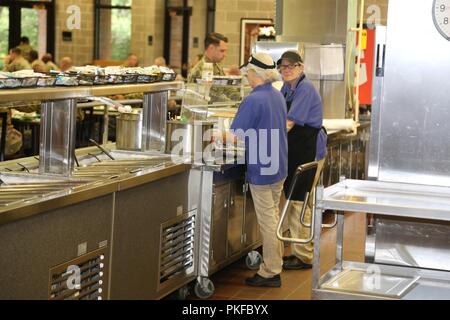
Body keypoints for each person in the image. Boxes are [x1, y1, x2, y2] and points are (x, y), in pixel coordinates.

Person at [216, 53, 288, 287]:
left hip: (262, 168)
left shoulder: (253, 99)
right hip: (278, 164)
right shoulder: (277, 95)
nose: (246, 75)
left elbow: (235, 137)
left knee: (267, 220)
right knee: (274, 217)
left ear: (256, 73)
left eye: (248, 71)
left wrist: (214, 135)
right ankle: (275, 261)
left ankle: (270, 271)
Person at [277, 50, 327, 270]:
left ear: (301, 67)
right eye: (283, 67)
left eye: (291, 66)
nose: (286, 70)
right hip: (295, 150)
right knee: (294, 200)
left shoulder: (304, 88)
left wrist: (264, 136)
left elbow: (288, 123)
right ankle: (297, 249)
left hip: (309, 150)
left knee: (299, 202)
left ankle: (304, 256)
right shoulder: (287, 88)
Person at [187, 33, 240, 102]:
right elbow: (209, 97)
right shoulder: (199, 70)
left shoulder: (216, 67)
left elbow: (227, 89)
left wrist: (242, 100)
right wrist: (231, 103)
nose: (225, 55)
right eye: (222, 51)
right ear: (211, 48)